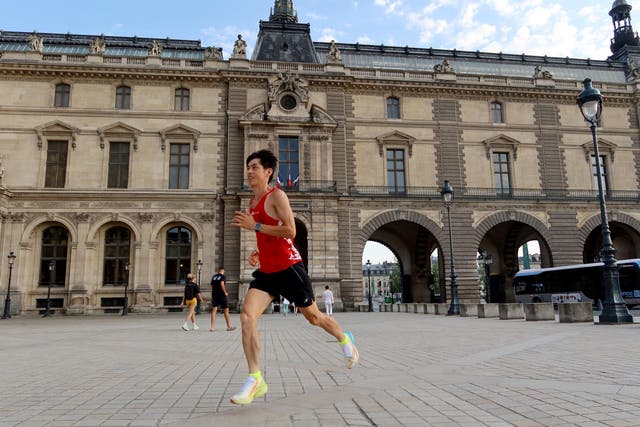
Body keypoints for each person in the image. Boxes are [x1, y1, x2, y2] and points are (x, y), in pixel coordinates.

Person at [230, 149, 359, 405]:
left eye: (254, 166)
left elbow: (289, 230)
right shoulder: (252, 203)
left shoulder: (276, 195)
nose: (249, 171)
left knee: (314, 318)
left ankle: (345, 338)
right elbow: (268, 235)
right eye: (248, 167)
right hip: (267, 271)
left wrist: (254, 226)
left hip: (289, 269)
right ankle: (256, 378)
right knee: (246, 317)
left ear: (268, 172)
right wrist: (258, 251)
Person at [210, 267, 236, 332]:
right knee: (226, 310)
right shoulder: (223, 276)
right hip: (221, 295)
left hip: (214, 295)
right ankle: (229, 327)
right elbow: (222, 284)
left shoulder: (214, 277)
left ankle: (212, 327)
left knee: (214, 310)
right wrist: (225, 292)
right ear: (223, 271)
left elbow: (212, 286)